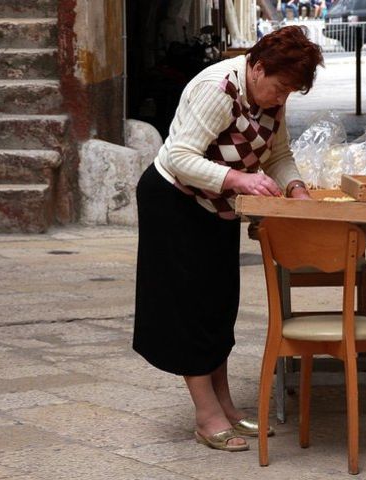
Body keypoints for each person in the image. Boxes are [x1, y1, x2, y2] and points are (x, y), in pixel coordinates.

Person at [134, 26, 323, 452]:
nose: (282, 98)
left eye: (291, 92)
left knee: (218, 306)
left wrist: (295, 188)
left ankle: (227, 408)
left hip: (217, 206)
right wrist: (239, 178)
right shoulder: (218, 89)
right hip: (174, 201)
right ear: (257, 67)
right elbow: (180, 155)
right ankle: (206, 416)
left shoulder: (274, 98)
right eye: (280, 88)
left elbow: (279, 155)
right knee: (189, 310)